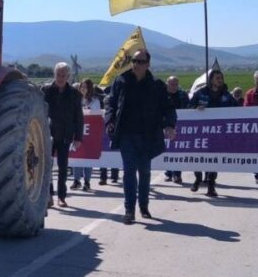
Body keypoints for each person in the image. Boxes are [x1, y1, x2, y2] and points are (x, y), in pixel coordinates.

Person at [104, 50, 177, 224]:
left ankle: (144, 206)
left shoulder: (156, 85)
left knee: (144, 171)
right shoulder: (121, 81)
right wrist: (109, 121)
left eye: (140, 61)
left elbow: (168, 108)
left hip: (148, 136)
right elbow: (111, 103)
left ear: (148, 64)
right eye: (134, 60)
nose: (136, 64)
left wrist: (169, 125)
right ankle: (129, 210)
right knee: (129, 171)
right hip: (126, 135)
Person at [188, 69, 238, 197]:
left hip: (218, 133)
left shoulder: (226, 95)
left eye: (221, 78)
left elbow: (236, 109)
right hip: (201, 132)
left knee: (214, 159)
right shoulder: (200, 93)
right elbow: (189, 108)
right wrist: (196, 109)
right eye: (217, 78)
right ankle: (198, 178)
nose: (220, 80)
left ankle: (211, 185)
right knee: (198, 157)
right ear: (211, 80)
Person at [41, 62, 83, 208]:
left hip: (65, 135)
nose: (60, 78)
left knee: (63, 168)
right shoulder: (45, 91)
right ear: (54, 74)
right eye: (58, 75)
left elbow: (79, 117)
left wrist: (78, 138)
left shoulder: (74, 94)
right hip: (47, 135)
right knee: (47, 167)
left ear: (68, 76)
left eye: (63, 75)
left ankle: (61, 197)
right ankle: (49, 195)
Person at [72, 79, 102, 190]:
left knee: (87, 157)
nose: (83, 89)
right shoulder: (76, 99)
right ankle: (76, 180)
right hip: (78, 131)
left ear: (89, 88)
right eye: (81, 87)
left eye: (85, 87)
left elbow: (97, 116)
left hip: (90, 132)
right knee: (76, 156)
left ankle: (87, 181)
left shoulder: (95, 101)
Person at [164, 75, 190, 182]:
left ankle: (177, 174)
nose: (174, 86)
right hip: (165, 125)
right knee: (167, 149)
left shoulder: (183, 95)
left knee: (178, 149)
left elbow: (189, 107)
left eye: (176, 84)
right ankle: (168, 173)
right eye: (172, 84)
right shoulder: (162, 94)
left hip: (180, 125)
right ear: (167, 84)